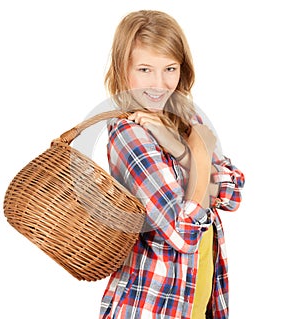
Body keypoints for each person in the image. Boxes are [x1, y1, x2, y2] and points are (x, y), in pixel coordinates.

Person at [99, 10, 245, 319]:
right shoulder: (129, 133)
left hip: (200, 302)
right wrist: (199, 153)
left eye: (170, 68)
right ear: (122, 70)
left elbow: (234, 193)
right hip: (150, 306)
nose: (159, 84)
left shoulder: (189, 117)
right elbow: (183, 232)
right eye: (144, 69)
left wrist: (179, 148)